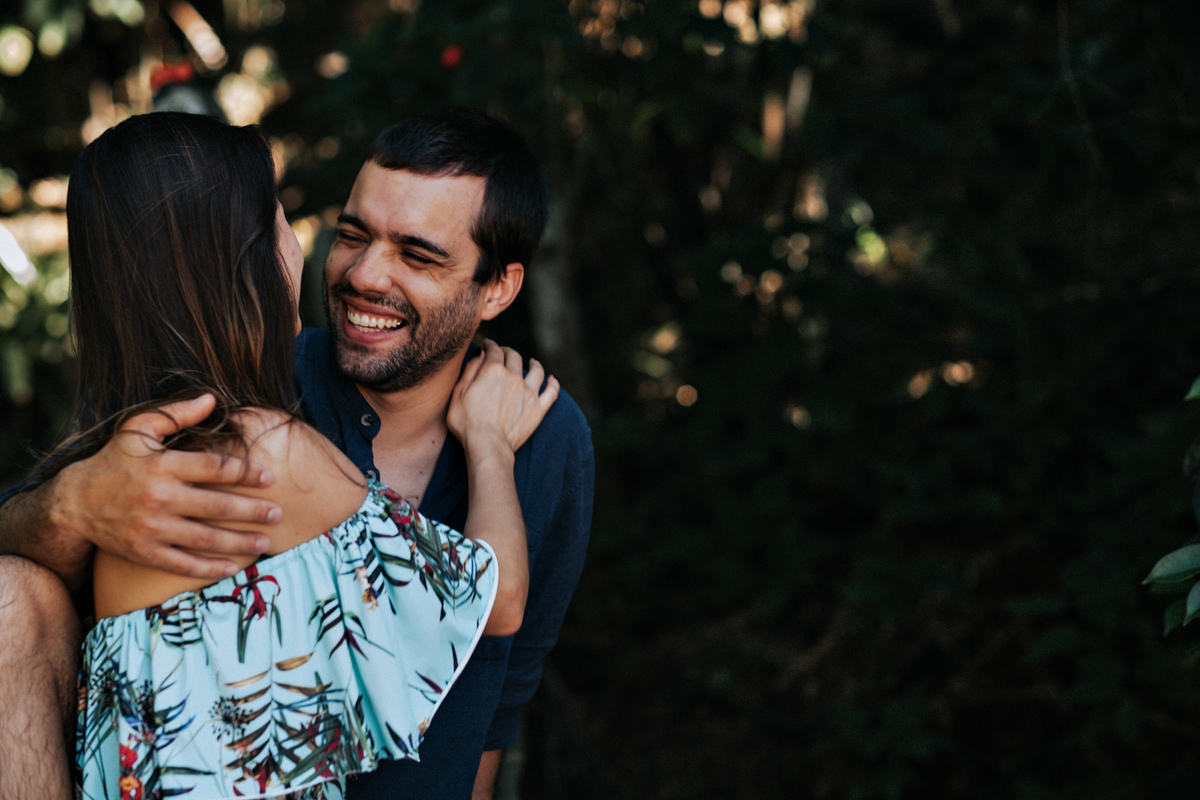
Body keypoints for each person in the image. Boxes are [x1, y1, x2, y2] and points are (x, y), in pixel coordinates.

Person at [0, 106, 594, 800]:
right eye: (344, 234)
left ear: (498, 287)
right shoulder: (262, 445)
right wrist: (71, 506)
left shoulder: (165, 424)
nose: (364, 273)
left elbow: (499, 702)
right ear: (246, 263)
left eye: (418, 254)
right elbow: (491, 600)